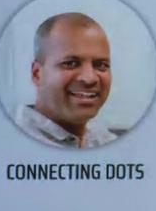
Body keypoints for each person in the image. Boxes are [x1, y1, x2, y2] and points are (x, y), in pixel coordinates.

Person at [14, 12, 117, 150]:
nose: (89, 78)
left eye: (101, 65)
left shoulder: (107, 143)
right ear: (37, 74)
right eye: (71, 63)